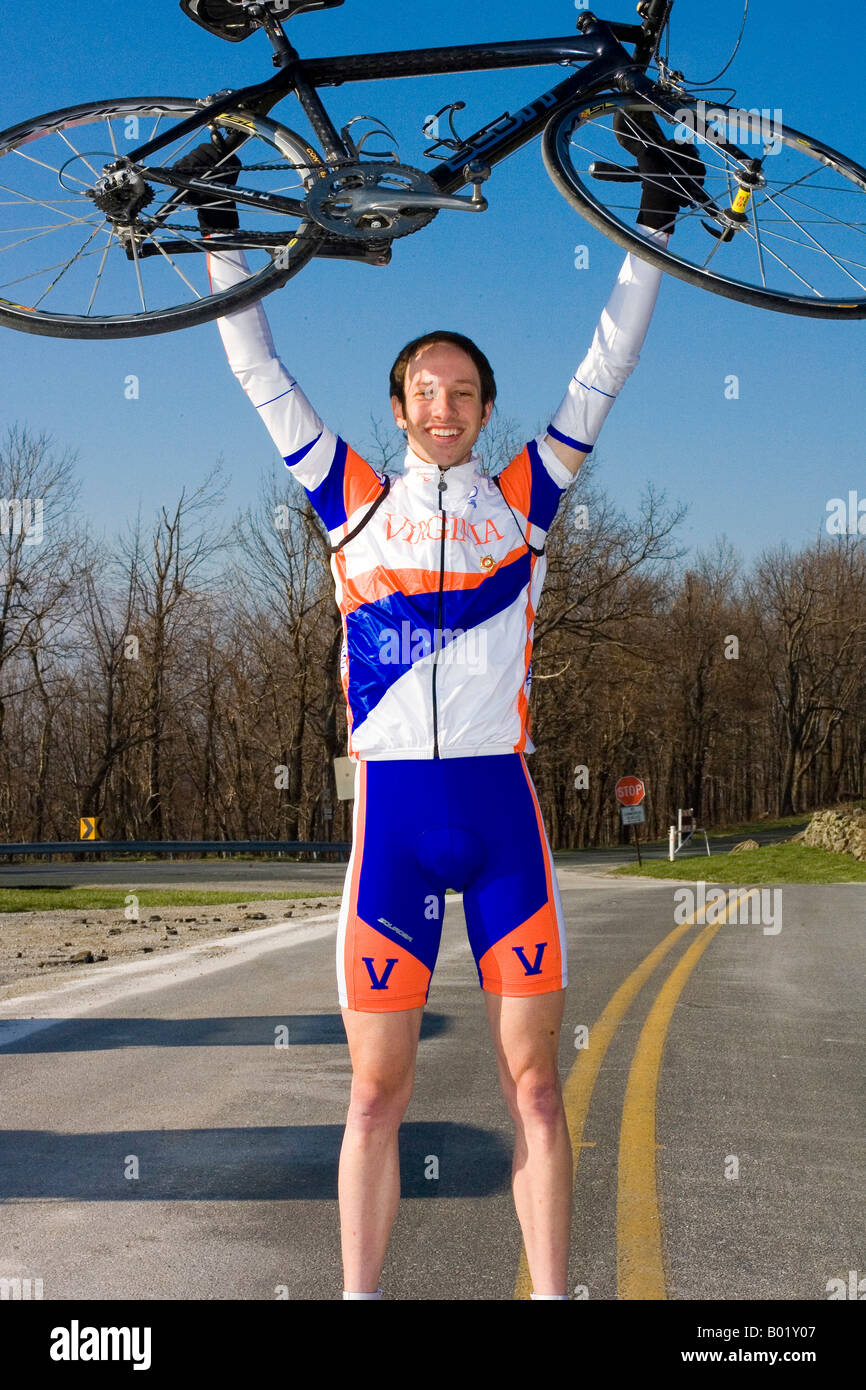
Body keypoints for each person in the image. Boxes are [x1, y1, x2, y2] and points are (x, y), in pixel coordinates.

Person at [185, 112, 701, 1299]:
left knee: (532, 1087)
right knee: (374, 1092)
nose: (444, 404)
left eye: (464, 389)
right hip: (394, 825)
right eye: (425, 388)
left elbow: (601, 371)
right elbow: (258, 371)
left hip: (501, 813)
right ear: (400, 403)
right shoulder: (350, 499)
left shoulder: (523, 496)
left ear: (481, 407)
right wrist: (222, 228)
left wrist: (653, 223)